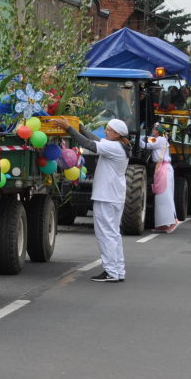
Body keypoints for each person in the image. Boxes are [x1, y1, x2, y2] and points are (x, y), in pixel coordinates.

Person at [52, 117, 131, 283]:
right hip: (114, 195)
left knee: (105, 234)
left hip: (106, 196)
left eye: (109, 129)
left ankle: (111, 272)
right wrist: (80, 127)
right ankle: (118, 270)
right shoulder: (119, 146)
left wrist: (69, 129)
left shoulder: (114, 147)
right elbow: (96, 140)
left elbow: (89, 144)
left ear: (117, 134)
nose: (106, 131)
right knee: (113, 234)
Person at [141, 123, 178, 233]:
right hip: (161, 168)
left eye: (153, 128)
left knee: (166, 196)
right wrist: (142, 137)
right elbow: (147, 139)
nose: (152, 130)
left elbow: (144, 145)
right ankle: (163, 224)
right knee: (160, 198)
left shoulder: (160, 140)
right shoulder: (158, 139)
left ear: (157, 131)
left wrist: (137, 138)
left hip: (163, 168)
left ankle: (173, 221)